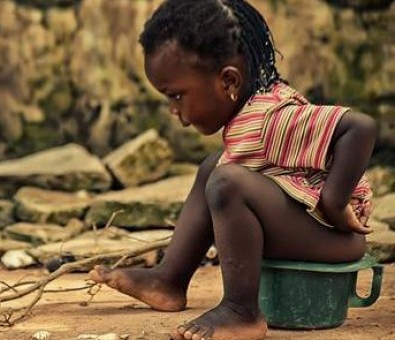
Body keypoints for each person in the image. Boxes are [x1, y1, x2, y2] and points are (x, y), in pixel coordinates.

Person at [88, 1, 377, 339]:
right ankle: (169, 279)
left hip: (337, 236)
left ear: (228, 81)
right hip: (310, 228)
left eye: (177, 96)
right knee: (214, 168)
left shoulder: (271, 117)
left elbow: (360, 127)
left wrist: (334, 201)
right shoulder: (247, 117)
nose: (173, 110)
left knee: (227, 183)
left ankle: (242, 311)